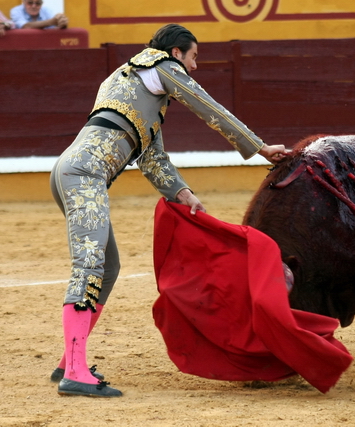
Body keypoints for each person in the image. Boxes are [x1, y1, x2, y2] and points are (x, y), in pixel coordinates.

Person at [49, 23, 290, 398]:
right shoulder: (162, 66)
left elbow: (153, 159)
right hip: (84, 175)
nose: (195, 67)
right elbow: (207, 106)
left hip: (72, 172)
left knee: (107, 267)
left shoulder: (135, 83)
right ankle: (76, 373)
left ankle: (70, 359)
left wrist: (184, 194)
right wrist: (258, 147)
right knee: (89, 267)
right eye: (193, 57)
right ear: (175, 53)